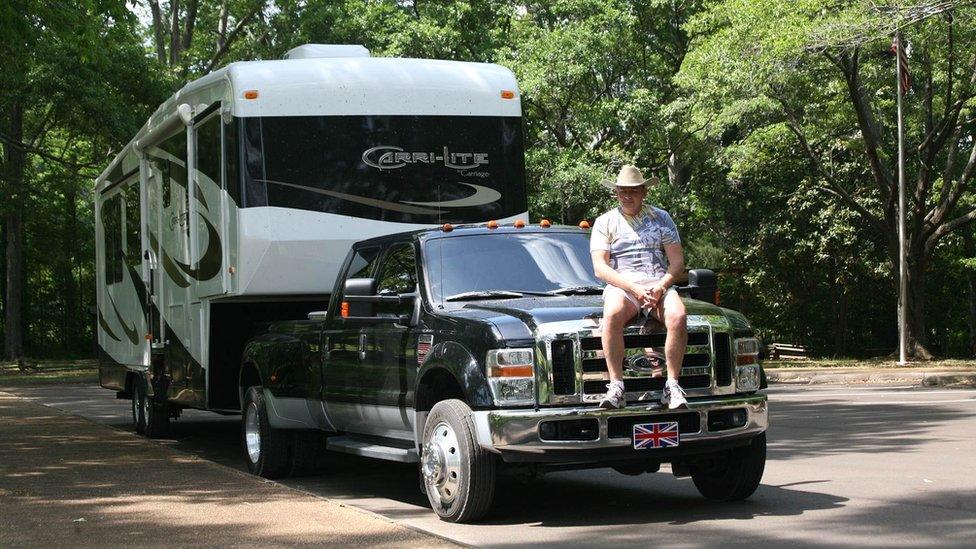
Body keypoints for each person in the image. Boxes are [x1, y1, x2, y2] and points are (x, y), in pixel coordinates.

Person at [590, 165, 688, 410]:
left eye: (633, 191)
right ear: (616, 193)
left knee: (678, 315)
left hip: (658, 284)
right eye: (622, 191)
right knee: (611, 315)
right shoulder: (605, 222)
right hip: (624, 286)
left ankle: (672, 386)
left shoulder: (661, 218)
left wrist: (661, 286)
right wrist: (633, 288)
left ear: (644, 192)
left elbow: (677, 264)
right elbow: (600, 268)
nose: (627, 195)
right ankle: (616, 387)